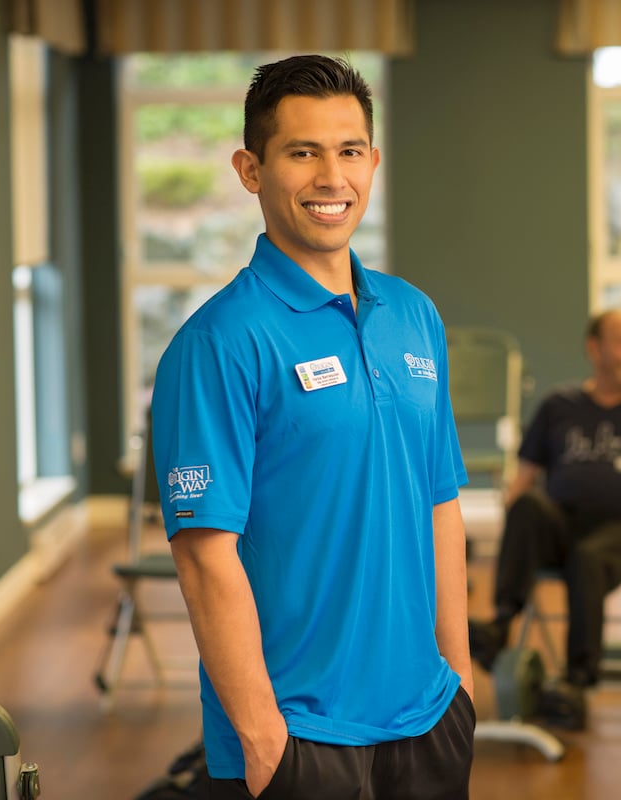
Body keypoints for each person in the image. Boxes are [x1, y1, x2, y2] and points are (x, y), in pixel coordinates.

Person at [151, 55, 473, 799]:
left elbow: (440, 500)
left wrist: (455, 681)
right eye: (303, 152)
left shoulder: (414, 316)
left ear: (373, 161)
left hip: (428, 719)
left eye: (349, 151)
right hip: (299, 738)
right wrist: (267, 741)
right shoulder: (219, 344)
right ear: (250, 169)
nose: (333, 178)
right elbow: (204, 558)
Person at [468, 309, 621, 725]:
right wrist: (517, 515)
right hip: (563, 521)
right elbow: (522, 482)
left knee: (589, 557)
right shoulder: (559, 404)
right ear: (594, 348)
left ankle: (578, 682)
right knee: (527, 506)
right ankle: (500, 625)